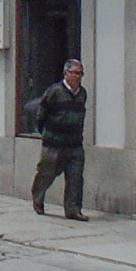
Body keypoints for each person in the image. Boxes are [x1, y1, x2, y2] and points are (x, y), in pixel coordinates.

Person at [31, 58, 89, 221]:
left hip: (75, 144)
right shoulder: (55, 92)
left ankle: (73, 210)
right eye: (74, 73)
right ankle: (38, 197)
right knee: (47, 173)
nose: (77, 77)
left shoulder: (82, 94)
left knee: (75, 177)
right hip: (54, 143)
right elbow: (41, 114)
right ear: (65, 73)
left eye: (80, 74)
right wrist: (47, 133)